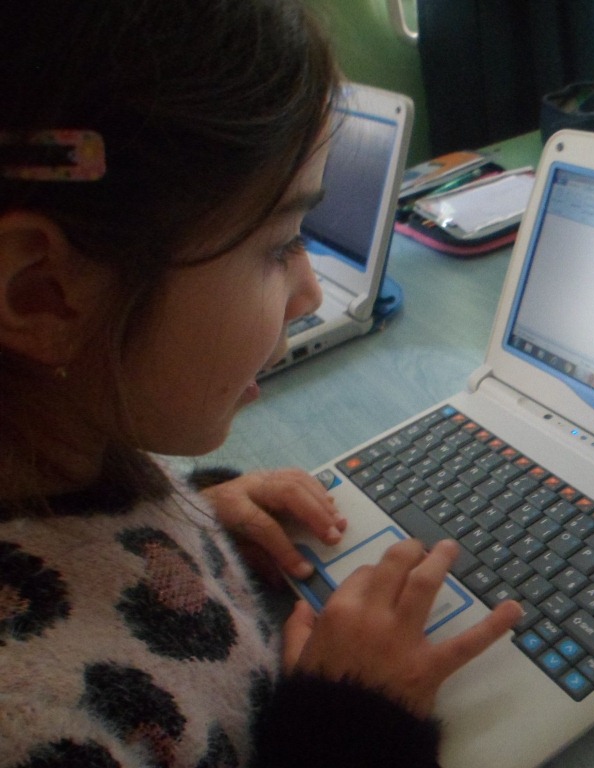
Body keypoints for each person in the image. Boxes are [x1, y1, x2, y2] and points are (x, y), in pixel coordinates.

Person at [0, 1, 522, 766]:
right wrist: (348, 730)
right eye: (280, 245)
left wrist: (196, 516)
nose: (308, 294)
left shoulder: (61, 444)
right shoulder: (38, 727)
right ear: (42, 293)